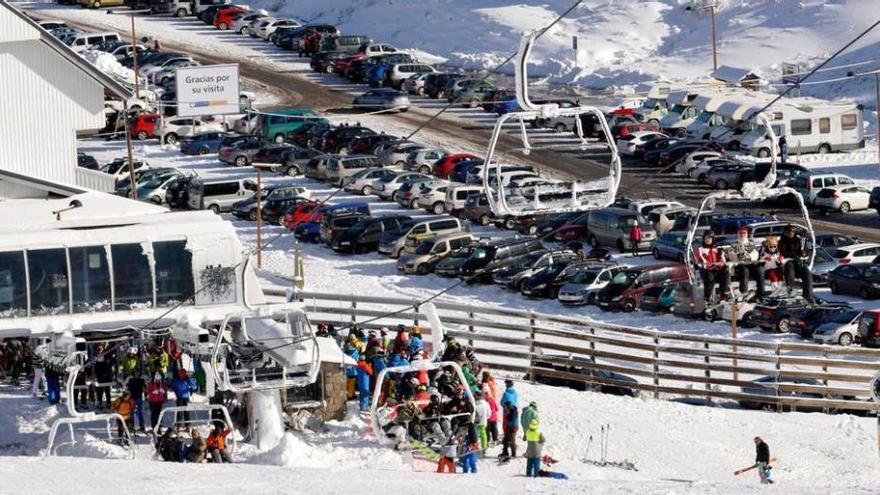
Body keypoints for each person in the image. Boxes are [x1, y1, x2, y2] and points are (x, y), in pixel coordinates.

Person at [778, 225, 813, 301]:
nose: (791, 233)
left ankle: (808, 296)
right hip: (788, 262)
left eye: (793, 231)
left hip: (798, 262)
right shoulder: (782, 241)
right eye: (790, 231)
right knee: (790, 269)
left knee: (807, 272)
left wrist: (804, 252)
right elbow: (783, 252)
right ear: (786, 232)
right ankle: (791, 294)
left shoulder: (798, 240)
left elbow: (806, 251)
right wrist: (794, 256)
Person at [694, 231, 730, 303]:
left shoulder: (717, 248)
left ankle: (723, 293)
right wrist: (709, 265)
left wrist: (720, 263)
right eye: (706, 238)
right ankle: (707, 297)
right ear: (704, 239)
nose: (708, 240)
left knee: (725, 271)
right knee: (710, 278)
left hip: (716, 269)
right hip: (706, 270)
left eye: (710, 238)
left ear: (713, 239)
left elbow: (723, 260)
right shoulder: (700, 249)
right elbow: (700, 260)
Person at [730, 226, 764, 299]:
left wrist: (749, 257)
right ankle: (744, 293)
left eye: (744, 233)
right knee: (744, 271)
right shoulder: (735, 244)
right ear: (738, 234)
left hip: (751, 263)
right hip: (740, 265)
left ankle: (761, 294)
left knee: (760, 269)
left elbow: (755, 253)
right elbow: (731, 254)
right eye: (741, 233)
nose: (743, 235)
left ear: (747, 234)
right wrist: (738, 256)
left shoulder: (749, 244)